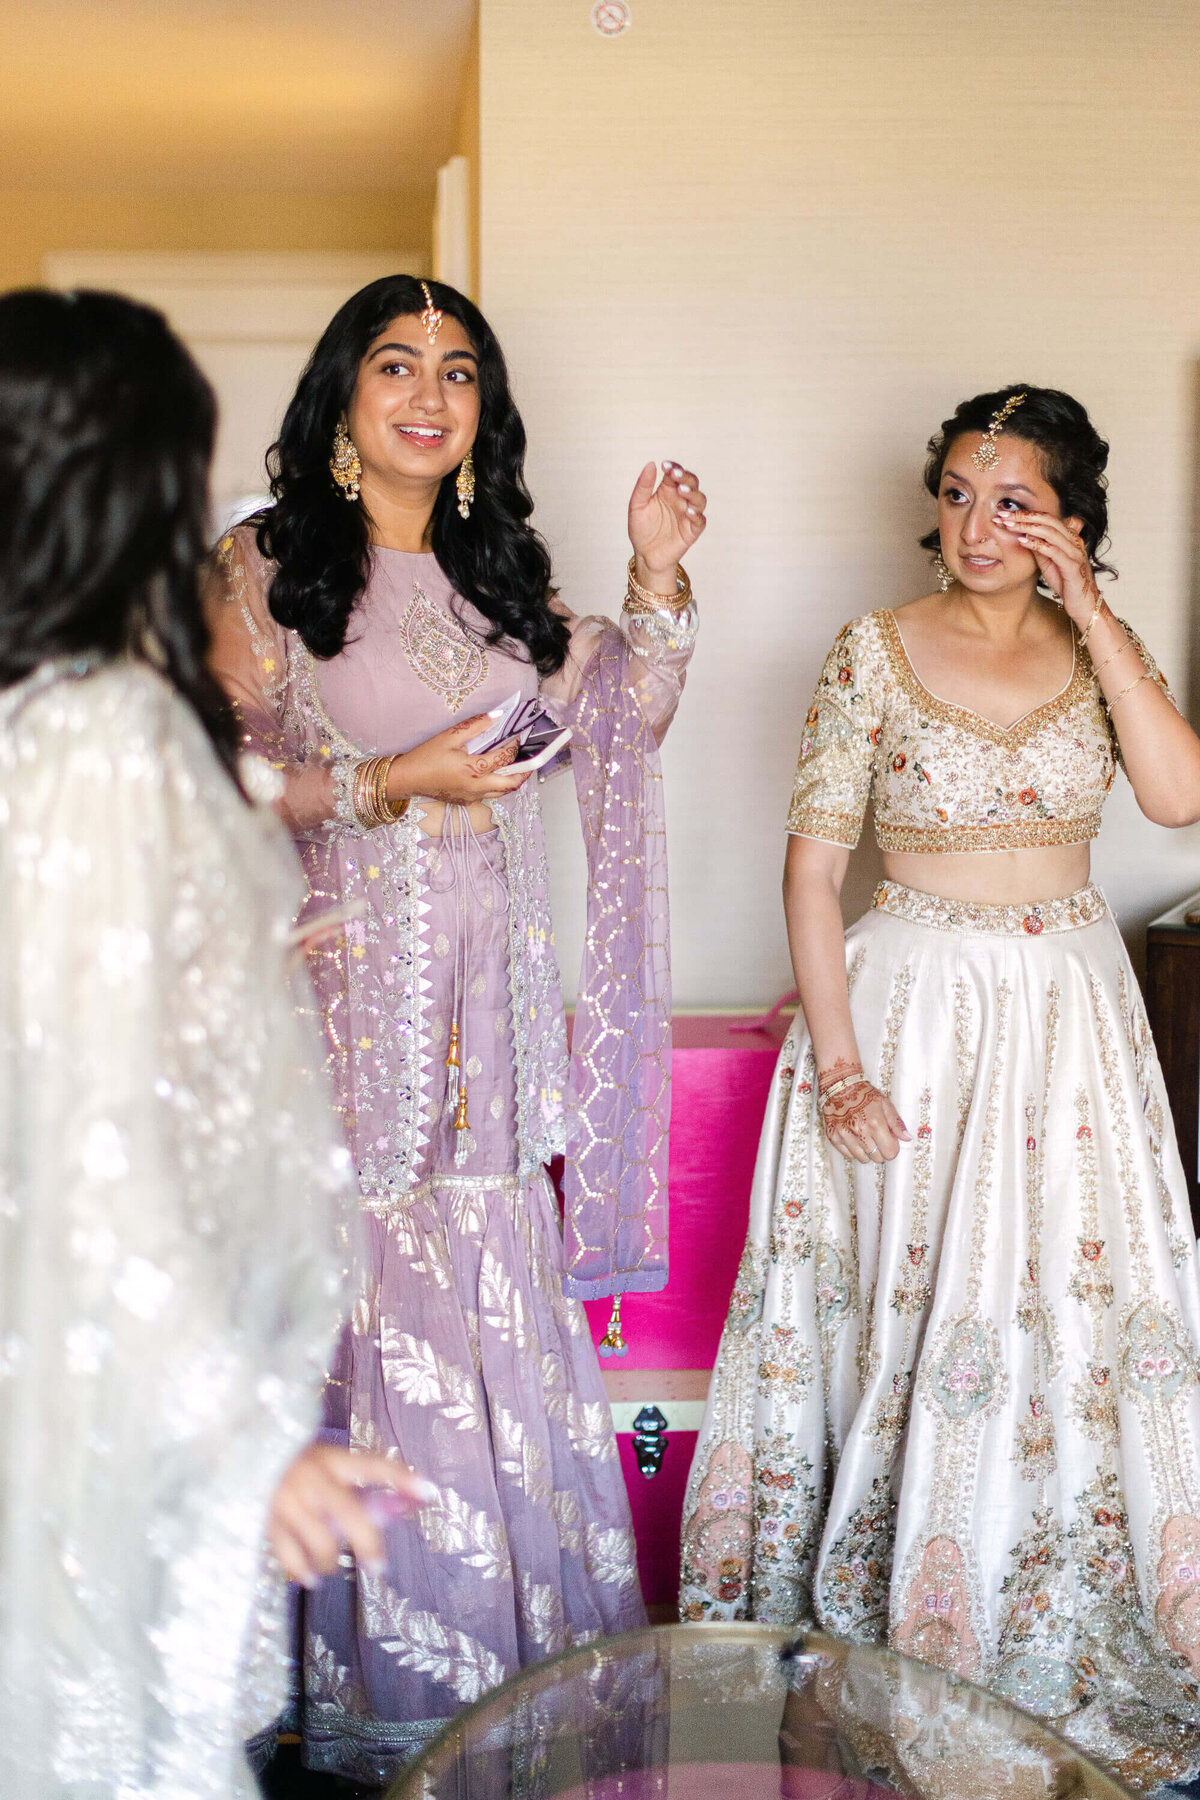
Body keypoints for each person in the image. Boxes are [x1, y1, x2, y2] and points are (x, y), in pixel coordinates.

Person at [206, 274, 706, 1781]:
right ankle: (360, 1692)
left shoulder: (503, 583)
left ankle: (500, 1678)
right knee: (353, 1284)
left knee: (481, 1254)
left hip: (486, 1014)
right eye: (396, 364)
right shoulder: (267, 567)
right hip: (336, 998)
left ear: (483, 412)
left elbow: (613, 717)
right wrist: (385, 785)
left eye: (460, 371)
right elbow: (204, 776)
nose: (431, 392)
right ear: (342, 402)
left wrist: (656, 572)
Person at [680, 385, 1200, 1790]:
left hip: (1074, 1014)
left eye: (1016, 497)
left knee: (1073, 1311)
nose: (980, 524)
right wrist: (839, 1069)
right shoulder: (871, 652)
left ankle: (1057, 1615)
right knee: (914, 1317)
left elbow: (1178, 794)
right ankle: (904, 1611)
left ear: (1069, 514)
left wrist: (1092, 611)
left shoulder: (1102, 648)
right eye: (963, 493)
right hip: (914, 1014)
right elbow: (809, 872)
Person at [0, 288, 429, 1800]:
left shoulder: (29, 716)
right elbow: (87, 1151)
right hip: (103, 1397)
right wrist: (249, 1444)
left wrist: (226, 967)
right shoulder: (103, 737)